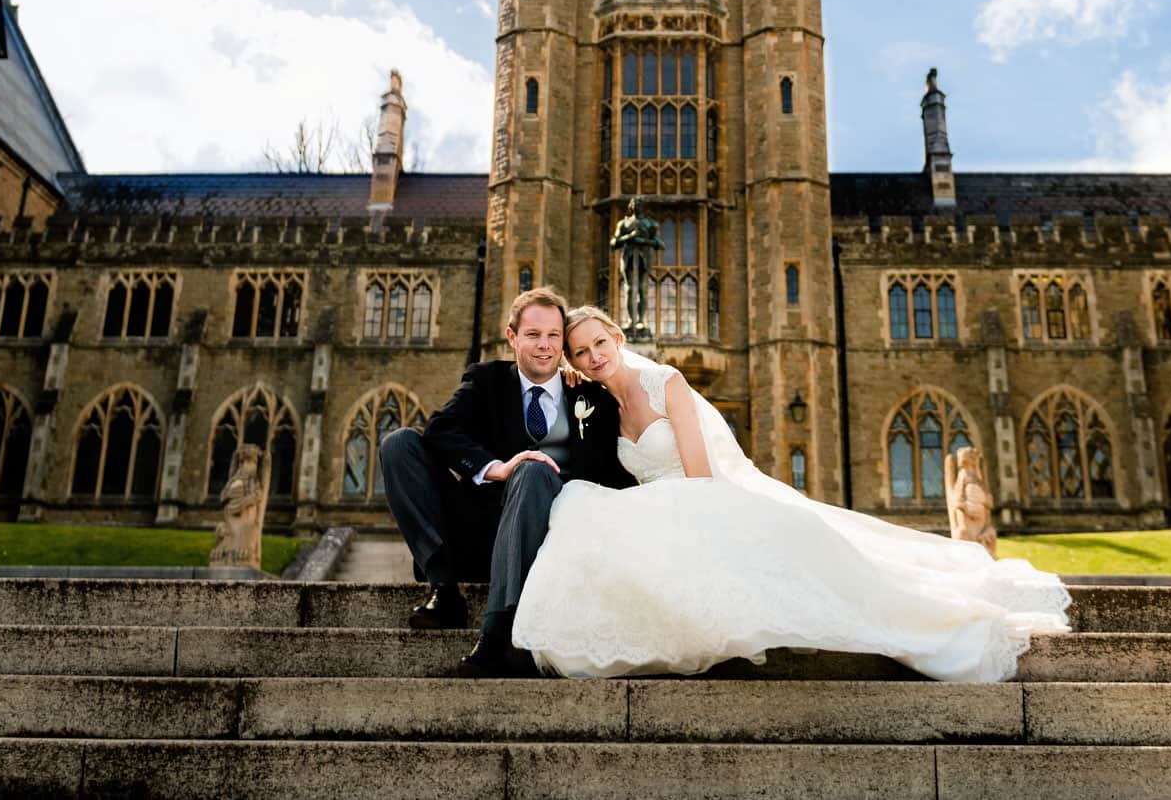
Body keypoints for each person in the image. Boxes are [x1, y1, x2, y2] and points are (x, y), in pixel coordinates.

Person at [511, 307, 1070, 682]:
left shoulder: (666, 383)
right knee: (582, 508)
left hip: (699, 501)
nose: (592, 356)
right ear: (572, 362)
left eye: (599, 343)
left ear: (619, 339)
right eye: (579, 352)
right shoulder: (596, 407)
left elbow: (701, 477)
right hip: (658, 510)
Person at [378, 286, 634, 677]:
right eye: (533, 335)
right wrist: (496, 467)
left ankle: (499, 630)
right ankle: (444, 590)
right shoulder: (487, 380)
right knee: (399, 445)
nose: (544, 346)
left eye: (553, 336)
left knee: (535, 469)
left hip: (548, 539)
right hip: (479, 528)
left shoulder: (591, 399)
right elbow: (440, 430)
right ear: (513, 337)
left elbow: (610, 475)